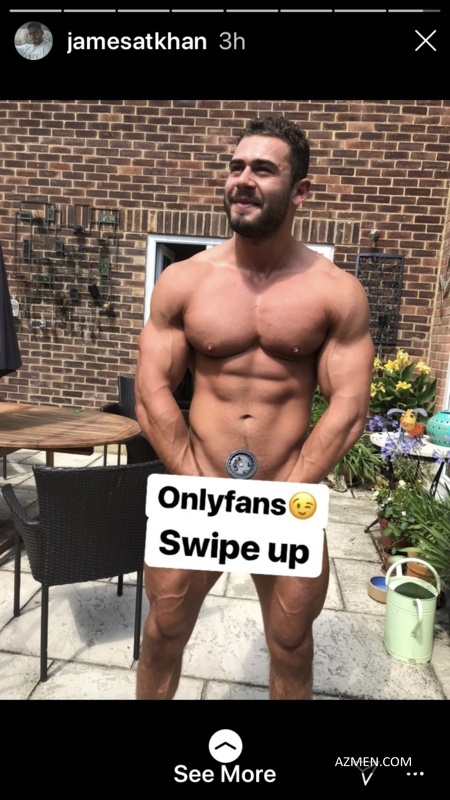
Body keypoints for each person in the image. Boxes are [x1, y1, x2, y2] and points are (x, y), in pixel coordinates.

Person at [135, 115, 374, 700]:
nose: (242, 179)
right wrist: (193, 479)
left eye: (263, 169)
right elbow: (152, 388)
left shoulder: (335, 291)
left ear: (300, 191)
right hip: (199, 487)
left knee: (292, 644)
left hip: (288, 491)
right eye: (236, 166)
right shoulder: (185, 281)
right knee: (163, 632)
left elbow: (349, 405)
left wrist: (295, 486)